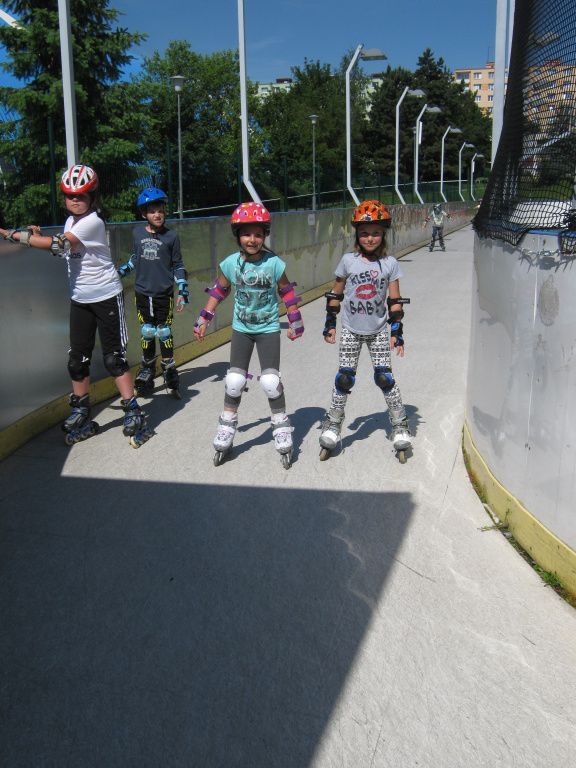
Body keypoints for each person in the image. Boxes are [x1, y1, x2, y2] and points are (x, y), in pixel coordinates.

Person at [0, 164, 151, 447]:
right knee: (76, 360)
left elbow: (59, 246)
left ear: (92, 198)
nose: (75, 200)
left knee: (113, 358)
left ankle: (133, 410)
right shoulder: (71, 222)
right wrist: (36, 235)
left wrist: (14, 235)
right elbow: (67, 253)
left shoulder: (93, 222)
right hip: (80, 299)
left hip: (106, 296)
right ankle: (81, 410)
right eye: (70, 196)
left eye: (81, 196)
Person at [193, 201, 304, 468]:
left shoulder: (274, 263)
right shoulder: (231, 264)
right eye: (246, 234)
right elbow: (220, 290)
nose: (252, 239)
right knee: (234, 380)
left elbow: (286, 291)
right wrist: (204, 317)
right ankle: (227, 425)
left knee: (270, 381)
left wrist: (295, 319)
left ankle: (280, 424)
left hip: (268, 328)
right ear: (238, 236)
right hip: (242, 329)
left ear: (265, 235)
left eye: (257, 234)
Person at [319, 199, 412, 462]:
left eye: (375, 233)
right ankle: (333, 425)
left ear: (383, 233)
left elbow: (395, 301)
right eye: (364, 233)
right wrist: (330, 323)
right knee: (344, 379)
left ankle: (400, 425)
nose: (370, 238)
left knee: (385, 378)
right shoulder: (348, 261)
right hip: (350, 329)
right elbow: (335, 294)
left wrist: (397, 332)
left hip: (378, 330)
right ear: (357, 235)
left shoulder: (390, 263)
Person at [117, 187, 188, 398]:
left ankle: (169, 370)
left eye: (160, 210)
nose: (157, 214)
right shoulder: (137, 233)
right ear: (144, 214)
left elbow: (178, 265)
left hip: (163, 294)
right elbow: (135, 257)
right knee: (147, 331)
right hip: (142, 293)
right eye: (152, 211)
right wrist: (120, 272)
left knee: (163, 331)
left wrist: (183, 291)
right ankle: (147, 371)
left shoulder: (171, 236)